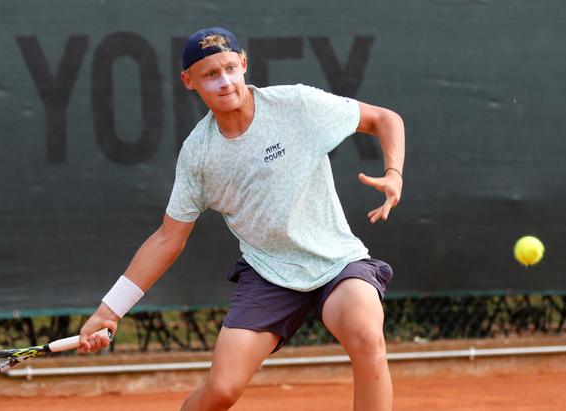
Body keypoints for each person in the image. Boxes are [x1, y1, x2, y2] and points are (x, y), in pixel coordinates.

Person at [78, 27, 405, 411]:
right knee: (220, 392)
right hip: (268, 272)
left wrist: (393, 173)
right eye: (210, 74)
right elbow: (168, 239)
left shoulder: (296, 105)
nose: (225, 81)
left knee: (368, 338)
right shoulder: (198, 156)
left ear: (244, 63)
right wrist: (109, 311)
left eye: (230, 68)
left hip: (337, 262)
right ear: (189, 81)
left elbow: (384, 119)